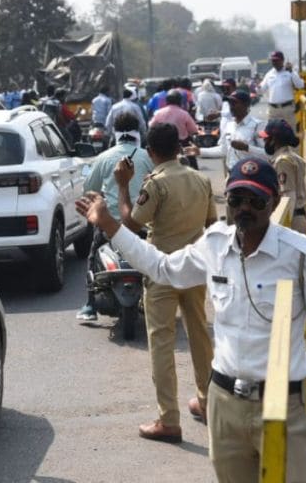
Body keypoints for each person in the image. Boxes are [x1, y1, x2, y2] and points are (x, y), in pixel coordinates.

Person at [77, 157, 306, 482]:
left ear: (274, 202)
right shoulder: (215, 244)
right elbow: (162, 267)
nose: (244, 209)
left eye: (256, 201)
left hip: (280, 406)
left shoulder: (300, 255)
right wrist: (110, 224)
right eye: (236, 200)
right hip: (223, 405)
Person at [112, 123, 216, 444]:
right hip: (195, 268)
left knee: (162, 343)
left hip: (161, 270)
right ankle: (209, 403)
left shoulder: (155, 185)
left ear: (150, 152)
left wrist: (122, 186)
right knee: (200, 335)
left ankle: (169, 419)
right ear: (179, 148)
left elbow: (130, 223)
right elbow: (212, 225)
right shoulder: (202, 180)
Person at [75, 112, 155, 322]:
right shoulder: (148, 156)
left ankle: (90, 305)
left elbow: (89, 187)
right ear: (138, 131)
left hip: (111, 224)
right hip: (143, 223)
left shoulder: (104, 157)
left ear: (115, 132)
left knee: (93, 256)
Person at [199, 91, 266, 174]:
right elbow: (223, 150)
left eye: (234, 103)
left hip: (251, 175)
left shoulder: (258, 125)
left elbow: (267, 153)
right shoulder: (229, 125)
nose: (231, 107)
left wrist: (247, 148)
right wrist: (199, 151)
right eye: (230, 103)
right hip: (232, 174)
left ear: (246, 105)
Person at [260, 119, 306, 234]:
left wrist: (280, 228)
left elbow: (288, 198)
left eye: (266, 138)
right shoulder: (293, 157)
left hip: (292, 222)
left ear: (274, 140)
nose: (264, 140)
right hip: (298, 218)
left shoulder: (283, 162)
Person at [261, 51, 305, 130]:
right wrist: (255, 88)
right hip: (273, 110)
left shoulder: (290, 72)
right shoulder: (269, 74)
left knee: (290, 135)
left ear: (282, 60)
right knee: (272, 136)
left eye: (277, 60)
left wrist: (291, 73)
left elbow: (300, 85)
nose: (275, 62)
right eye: (273, 60)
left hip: (287, 109)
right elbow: (261, 89)